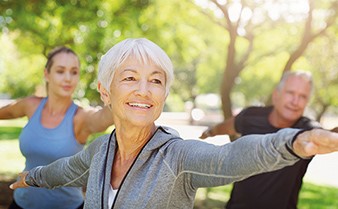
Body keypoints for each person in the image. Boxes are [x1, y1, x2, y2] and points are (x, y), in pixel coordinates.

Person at [9, 38, 338, 209]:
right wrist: (31, 178)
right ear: (105, 92)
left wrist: (292, 143)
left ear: (164, 94)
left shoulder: (177, 157)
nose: (143, 89)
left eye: (155, 80)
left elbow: (229, 159)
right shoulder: (99, 151)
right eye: (130, 78)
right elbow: (64, 171)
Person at [0, 46, 114, 209]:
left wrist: (119, 92)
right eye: (60, 71)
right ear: (47, 74)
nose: (68, 78)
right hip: (21, 203)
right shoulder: (31, 105)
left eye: (74, 72)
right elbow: (6, 112)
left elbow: (104, 118)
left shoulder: (81, 117)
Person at [200, 71, 321, 209]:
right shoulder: (252, 116)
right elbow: (226, 127)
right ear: (276, 95)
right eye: (290, 93)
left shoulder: (308, 130)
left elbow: (327, 136)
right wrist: (209, 132)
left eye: (302, 96)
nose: (295, 101)